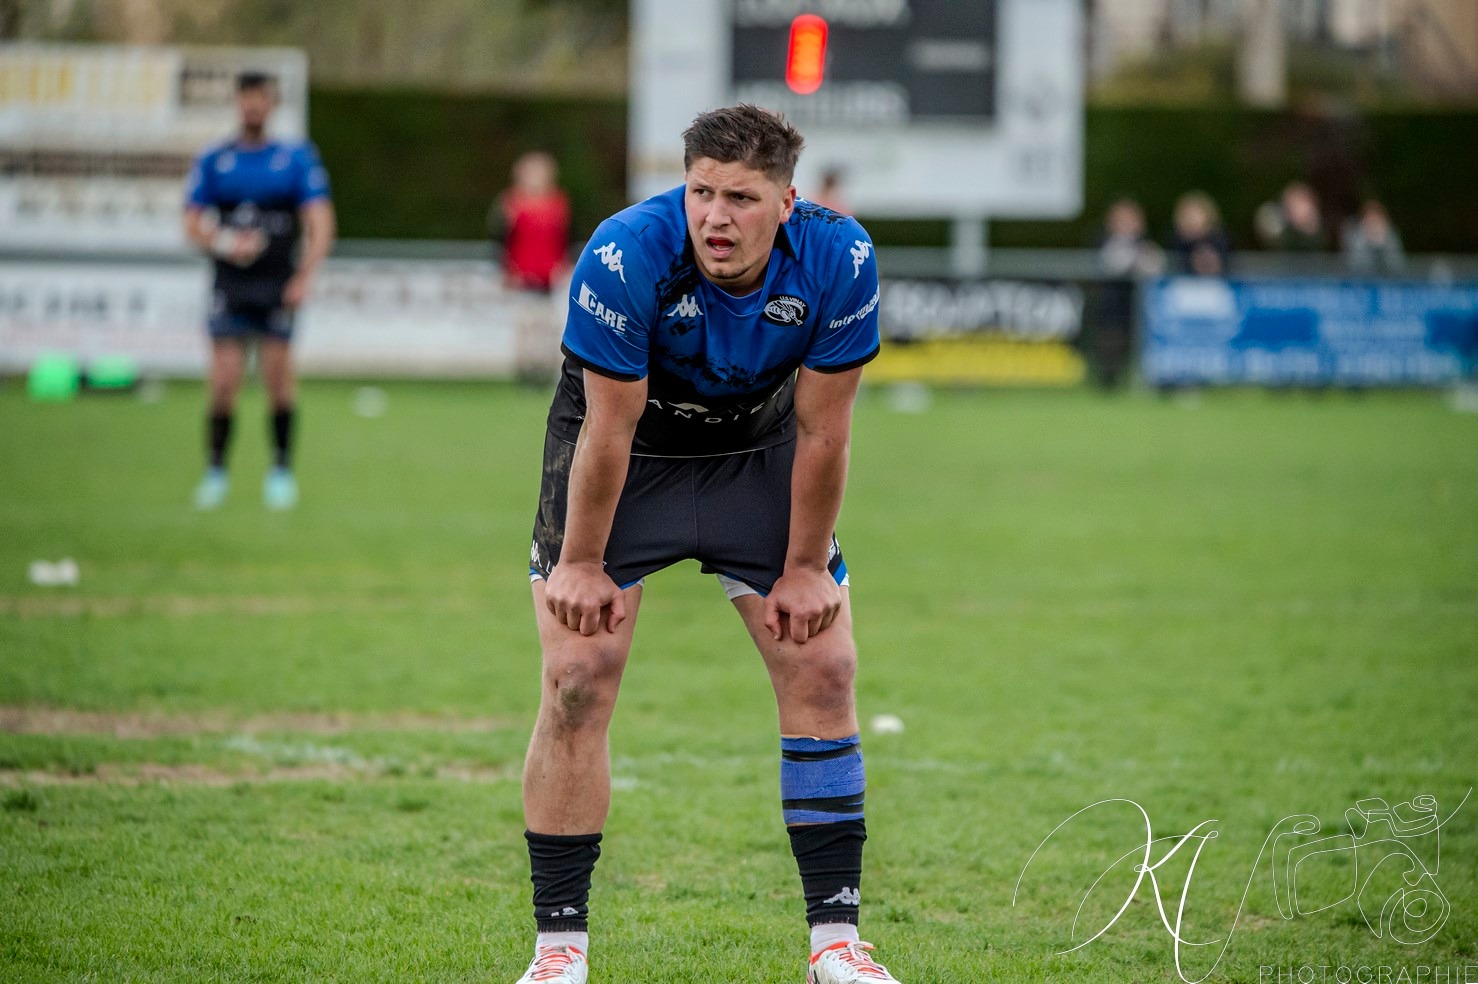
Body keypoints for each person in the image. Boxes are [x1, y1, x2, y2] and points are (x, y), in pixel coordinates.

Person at [517, 105, 897, 984]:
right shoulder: (626, 252)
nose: (716, 217)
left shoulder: (841, 258)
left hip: (755, 450)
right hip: (629, 452)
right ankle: (558, 953)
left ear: (787, 203)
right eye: (700, 193)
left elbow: (826, 433)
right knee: (577, 675)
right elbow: (607, 430)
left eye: (741, 197)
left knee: (824, 665)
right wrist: (578, 562)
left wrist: (804, 569)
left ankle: (834, 946)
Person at [183, 71, 336, 510]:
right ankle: (215, 471)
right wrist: (227, 242)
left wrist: (305, 275)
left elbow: (320, 221)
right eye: (246, 99)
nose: (253, 106)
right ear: (237, 103)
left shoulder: (294, 159)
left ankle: (281, 470)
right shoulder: (216, 159)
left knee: (278, 381)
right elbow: (191, 221)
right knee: (224, 382)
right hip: (230, 284)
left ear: (271, 104)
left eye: (261, 99)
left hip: (277, 287)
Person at [489, 151, 572, 293]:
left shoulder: (558, 202)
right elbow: (500, 240)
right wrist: (507, 271)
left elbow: (565, 238)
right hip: (519, 276)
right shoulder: (510, 202)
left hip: (552, 277)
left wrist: (563, 267)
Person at [1170, 191, 1230, 277]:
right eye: (1186, 216)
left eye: (1194, 216)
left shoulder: (1220, 241)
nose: (1190, 221)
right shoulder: (1174, 243)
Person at [1342, 200, 1405, 275]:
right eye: (1370, 219)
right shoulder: (1355, 236)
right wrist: (1367, 242)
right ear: (1363, 221)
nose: (1373, 224)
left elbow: (1397, 266)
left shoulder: (1390, 236)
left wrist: (1381, 246)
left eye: (1377, 220)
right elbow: (1352, 265)